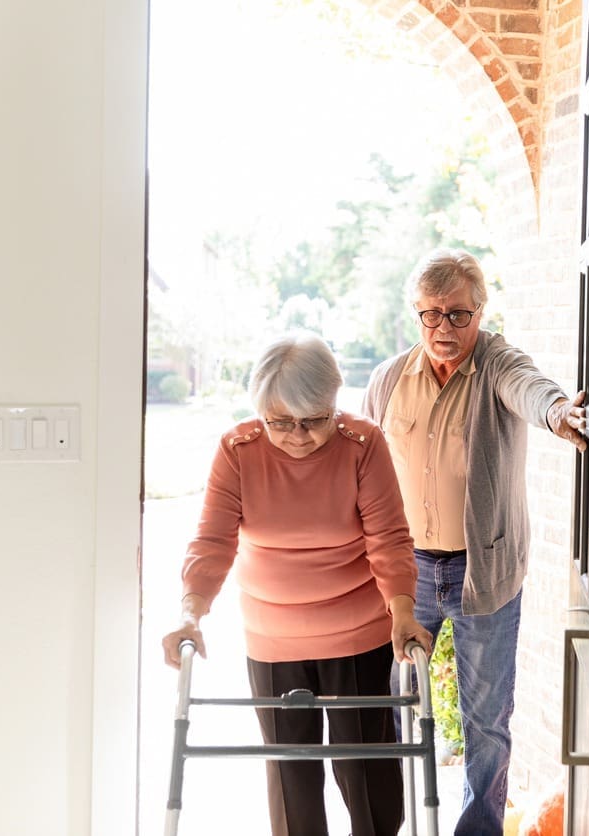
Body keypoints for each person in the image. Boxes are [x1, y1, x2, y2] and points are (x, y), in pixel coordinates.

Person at [162, 331, 433, 836]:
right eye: (281, 421)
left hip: (357, 633)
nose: (298, 435)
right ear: (261, 410)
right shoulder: (238, 450)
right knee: (292, 778)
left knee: (365, 772)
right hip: (274, 639)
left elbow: (389, 538)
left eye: (314, 420)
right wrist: (189, 615)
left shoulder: (363, 444)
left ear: (335, 402)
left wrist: (401, 612)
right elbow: (212, 543)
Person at [362, 249, 587, 835]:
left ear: (480, 310)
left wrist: (560, 413)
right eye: (431, 315)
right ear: (416, 315)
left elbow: (531, 388)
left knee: (486, 721)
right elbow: (360, 466)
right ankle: (387, 824)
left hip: (480, 571)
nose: (444, 328)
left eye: (459, 314)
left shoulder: (497, 363)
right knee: (389, 708)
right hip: (405, 573)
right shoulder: (389, 379)